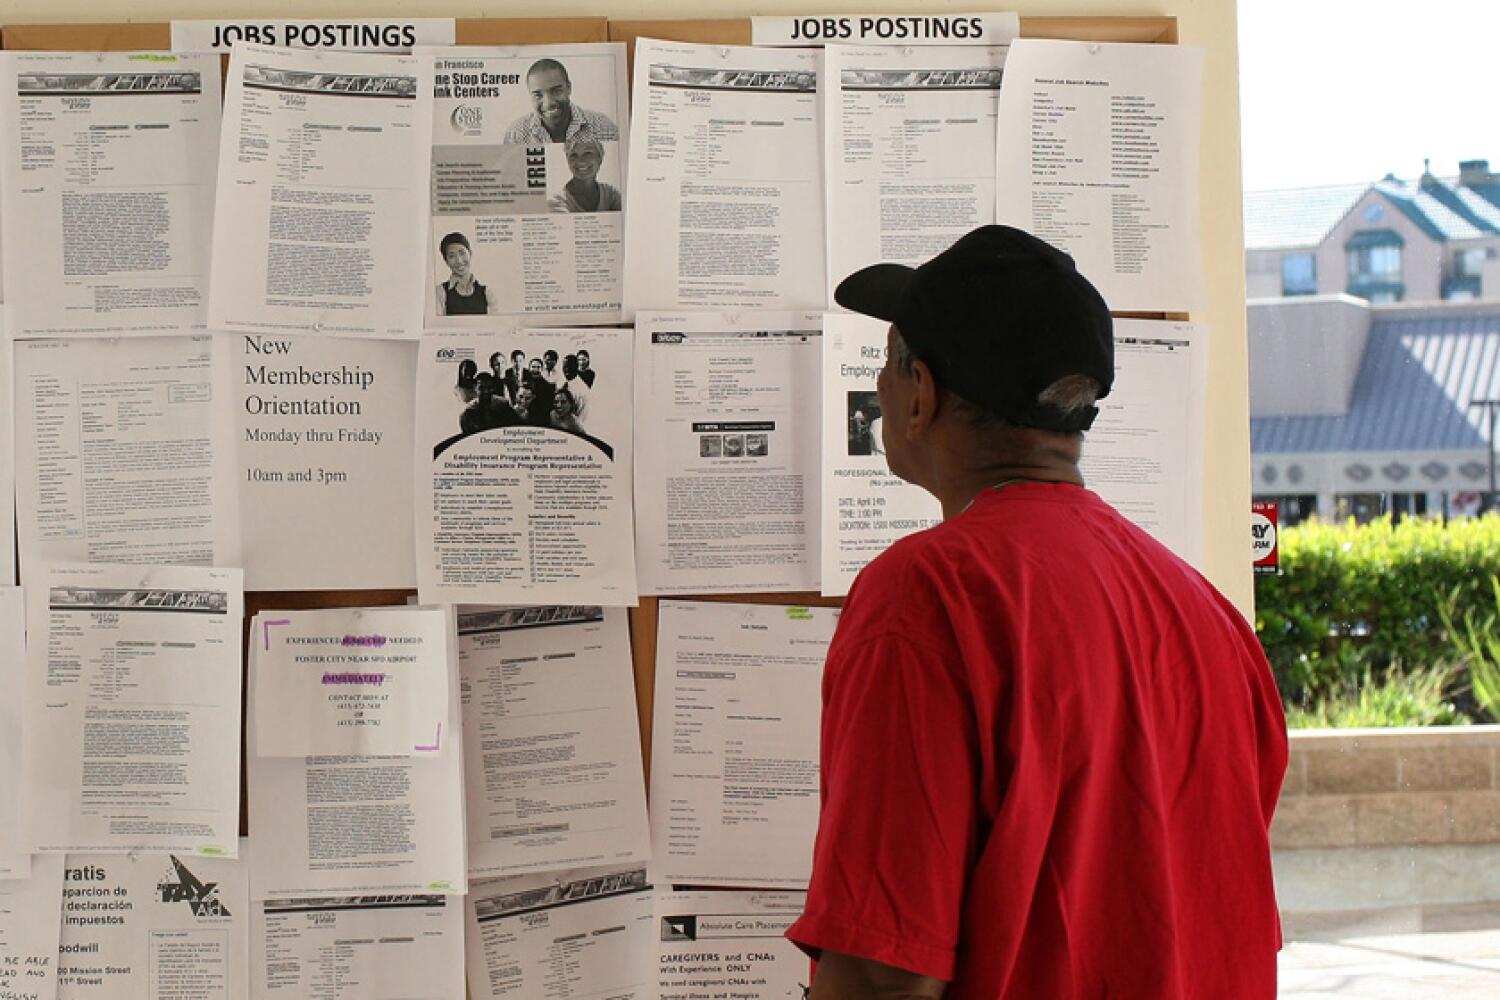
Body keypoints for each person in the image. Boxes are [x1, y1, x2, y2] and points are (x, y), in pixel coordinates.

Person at [786, 226, 1287, 999]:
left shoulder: (927, 596)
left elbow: (885, 972)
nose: (879, 390)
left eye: (885, 364)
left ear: (921, 393)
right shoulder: (1205, 610)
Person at [502, 58, 619, 144]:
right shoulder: (516, 135)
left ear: (569, 88)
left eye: (556, 91)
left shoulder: (603, 127)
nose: (549, 103)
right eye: (538, 95)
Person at [548, 137, 622, 214]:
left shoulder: (610, 194)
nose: (581, 161)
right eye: (574, 155)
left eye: (587, 153)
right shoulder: (558, 200)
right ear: (568, 160)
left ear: (600, 158)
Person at [435, 232, 496, 316]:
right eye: (452, 256)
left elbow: (495, 324)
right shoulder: (440, 292)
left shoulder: (487, 293)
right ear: (446, 261)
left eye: (462, 253)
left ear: (470, 253)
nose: (459, 261)